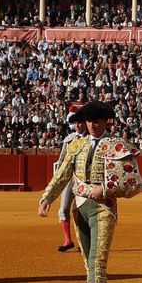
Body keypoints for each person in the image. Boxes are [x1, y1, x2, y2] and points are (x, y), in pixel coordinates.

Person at [38, 100, 139, 283]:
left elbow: (134, 182)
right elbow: (62, 174)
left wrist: (105, 190)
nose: (92, 125)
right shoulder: (77, 145)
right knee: (89, 263)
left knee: (97, 261)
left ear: (105, 121)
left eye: (96, 121)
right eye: (89, 121)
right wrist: (47, 197)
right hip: (80, 208)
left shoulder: (117, 145)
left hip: (104, 209)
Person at [54, 105, 87, 252]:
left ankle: (84, 241)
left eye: (80, 122)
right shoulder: (69, 139)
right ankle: (68, 240)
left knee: (83, 211)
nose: (77, 126)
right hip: (70, 178)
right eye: (75, 123)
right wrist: (58, 177)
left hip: (85, 180)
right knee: (63, 209)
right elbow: (62, 160)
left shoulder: (90, 139)